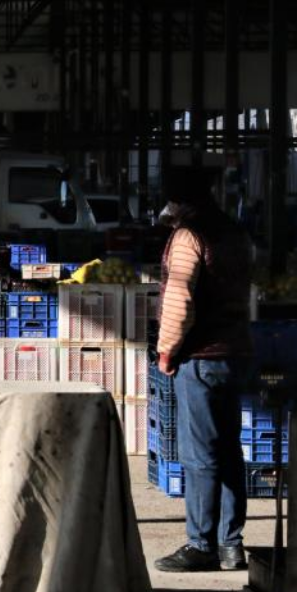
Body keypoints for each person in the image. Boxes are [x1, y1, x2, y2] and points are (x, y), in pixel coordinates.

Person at [153, 168, 254, 574]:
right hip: (237, 351)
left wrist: (166, 352)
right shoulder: (234, 232)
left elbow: (179, 301)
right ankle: (232, 546)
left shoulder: (188, 236)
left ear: (180, 203)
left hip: (201, 357)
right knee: (229, 450)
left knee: (200, 455)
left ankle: (201, 544)